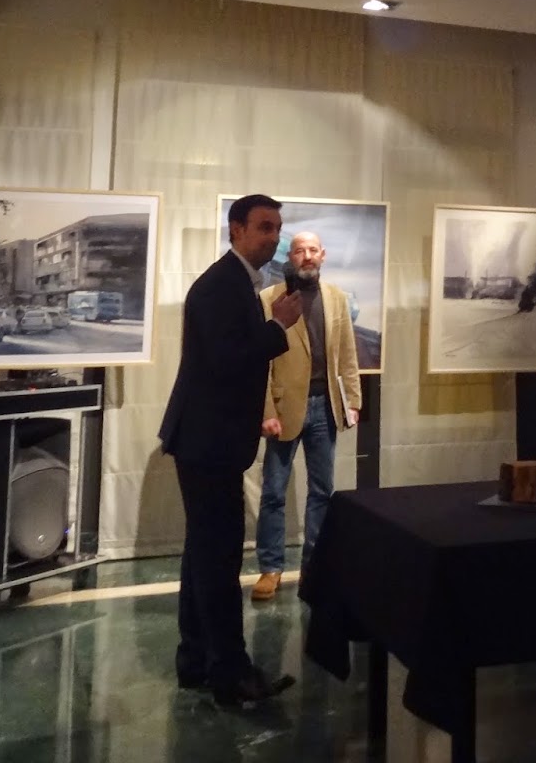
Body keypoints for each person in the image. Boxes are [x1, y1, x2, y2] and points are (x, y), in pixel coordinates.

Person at [158, 194, 301, 706]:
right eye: (264, 227)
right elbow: (227, 360)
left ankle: (196, 661)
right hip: (208, 441)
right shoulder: (222, 284)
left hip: (207, 438)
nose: (273, 237)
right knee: (218, 561)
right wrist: (277, 326)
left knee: (203, 556)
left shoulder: (235, 282)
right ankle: (231, 675)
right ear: (236, 229)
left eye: (277, 228)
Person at [252, 230, 363, 600]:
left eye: (313, 250)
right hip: (284, 410)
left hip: (325, 406)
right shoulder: (270, 298)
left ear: (323, 255)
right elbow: (261, 361)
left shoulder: (337, 298)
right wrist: (266, 410)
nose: (307, 256)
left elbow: (347, 353)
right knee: (273, 492)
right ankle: (270, 569)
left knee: (322, 492)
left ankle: (314, 567)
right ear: (291, 257)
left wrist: (352, 399)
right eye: (300, 250)